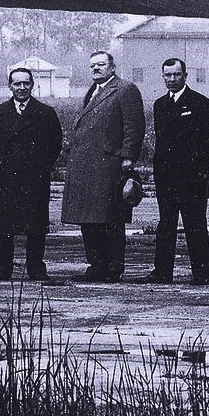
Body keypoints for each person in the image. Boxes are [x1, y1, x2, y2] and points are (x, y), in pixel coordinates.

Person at [62, 48, 147, 281]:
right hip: (85, 164)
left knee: (111, 218)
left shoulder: (125, 89)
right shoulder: (92, 91)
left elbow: (134, 126)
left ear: (112, 67)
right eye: (92, 65)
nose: (95, 68)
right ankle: (96, 264)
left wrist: (128, 156)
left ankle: (113, 267)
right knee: (88, 219)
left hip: (109, 164)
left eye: (100, 64)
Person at [0, 63, 62, 282]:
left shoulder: (46, 113)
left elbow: (55, 144)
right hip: (6, 177)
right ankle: (3, 269)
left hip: (35, 177)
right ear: (10, 86)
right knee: (2, 226)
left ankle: (36, 268)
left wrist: (42, 166)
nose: (22, 87)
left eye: (26, 83)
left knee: (36, 225)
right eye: (17, 83)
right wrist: (4, 163)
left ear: (33, 86)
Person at [148, 56, 209, 284]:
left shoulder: (199, 103)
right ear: (163, 77)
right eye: (167, 75)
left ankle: (201, 274)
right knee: (166, 225)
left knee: (195, 225)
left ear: (185, 76)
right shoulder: (160, 105)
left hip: (192, 178)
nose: (171, 79)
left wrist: (200, 167)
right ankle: (162, 272)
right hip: (166, 178)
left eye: (176, 75)